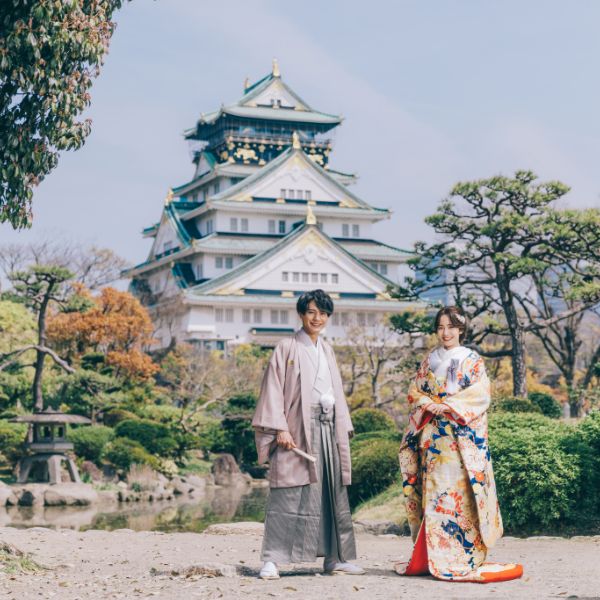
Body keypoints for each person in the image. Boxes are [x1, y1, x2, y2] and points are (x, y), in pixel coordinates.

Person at [395, 306, 523, 583]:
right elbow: (415, 390)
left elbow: (480, 395)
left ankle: (463, 554)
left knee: (458, 494)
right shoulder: (430, 359)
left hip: (459, 439)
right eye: (440, 327)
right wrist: (427, 403)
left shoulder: (472, 359)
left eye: (451, 327)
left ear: (461, 329)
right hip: (433, 437)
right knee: (433, 494)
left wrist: (449, 405)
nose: (446, 333)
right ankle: (433, 555)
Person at [252, 289, 364, 580]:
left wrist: (341, 424)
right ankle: (272, 560)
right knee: (288, 492)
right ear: (301, 313)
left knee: (330, 491)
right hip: (296, 428)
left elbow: (336, 391)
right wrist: (279, 428)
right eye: (312, 312)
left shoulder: (326, 349)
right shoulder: (286, 347)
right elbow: (273, 389)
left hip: (328, 426)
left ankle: (335, 558)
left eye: (324, 313)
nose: (318, 318)